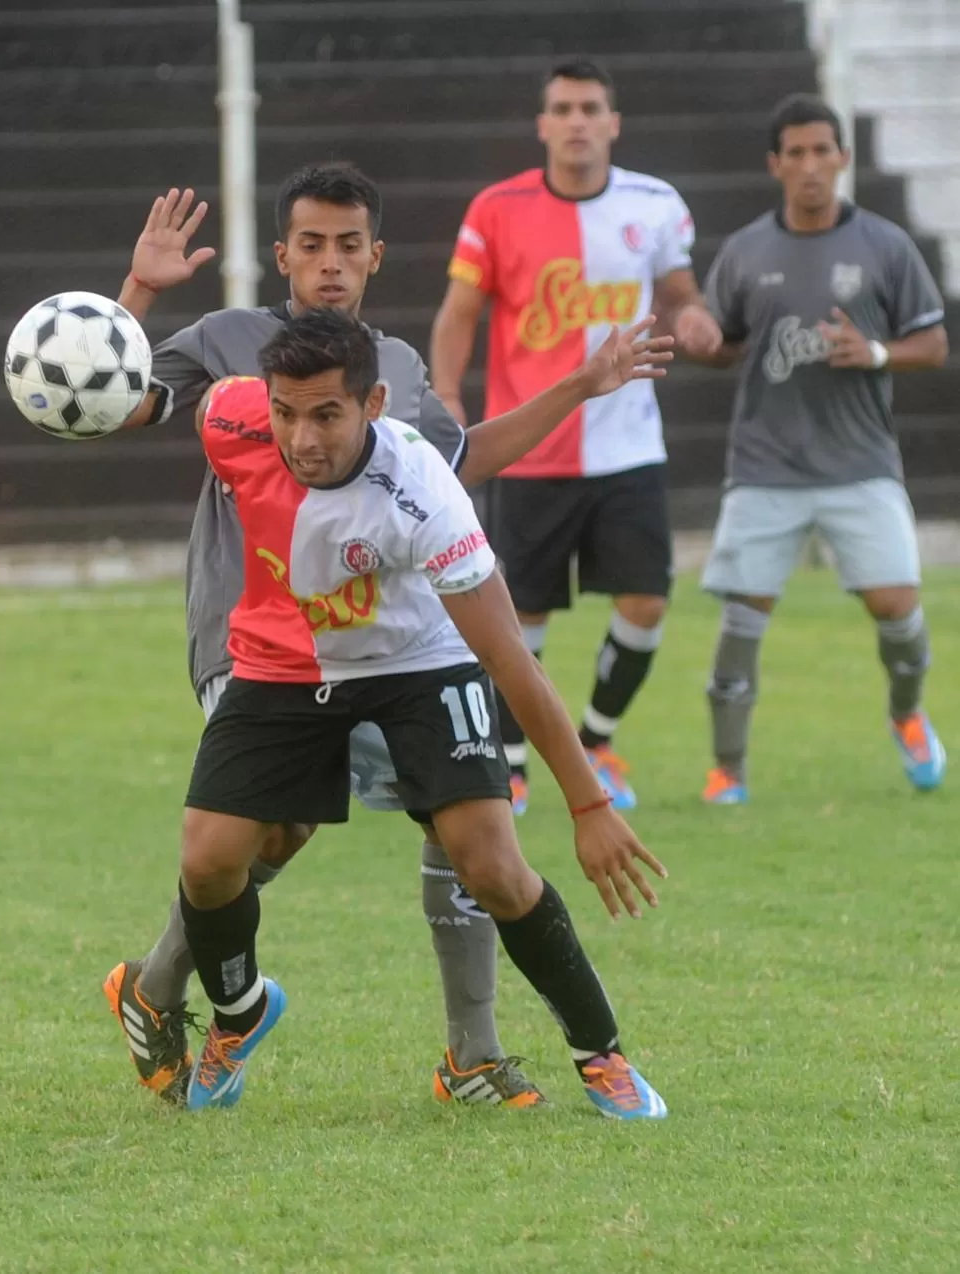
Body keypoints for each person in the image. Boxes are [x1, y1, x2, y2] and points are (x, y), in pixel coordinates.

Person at [101, 164, 673, 1106]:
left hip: (396, 644)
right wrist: (137, 297)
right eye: (310, 245)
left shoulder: (397, 378)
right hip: (253, 638)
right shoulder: (229, 361)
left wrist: (579, 386)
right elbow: (110, 400)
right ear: (282, 253)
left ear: (375, 255)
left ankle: (475, 1053)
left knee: (469, 835)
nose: (329, 264)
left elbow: (459, 460)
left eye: (347, 245)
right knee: (258, 835)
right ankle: (184, 992)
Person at [430, 57, 723, 816]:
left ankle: (596, 741)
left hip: (629, 446)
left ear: (613, 123)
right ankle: (518, 760)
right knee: (520, 616)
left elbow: (681, 288)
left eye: (591, 107)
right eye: (563, 108)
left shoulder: (655, 205)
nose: (578, 121)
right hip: (531, 448)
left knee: (647, 601)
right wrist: (447, 395)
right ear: (543, 124)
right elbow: (460, 313)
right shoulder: (496, 208)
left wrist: (691, 316)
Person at [678, 93, 949, 804]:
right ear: (776, 164)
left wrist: (879, 351)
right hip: (766, 467)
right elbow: (724, 341)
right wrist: (703, 340)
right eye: (793, 153)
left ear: (842, 158)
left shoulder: (885, 245)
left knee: (897, 605)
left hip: (860, 463)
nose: (808, 165)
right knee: (743, 615)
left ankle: (907, 714)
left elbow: (934, 342)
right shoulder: (746, 250)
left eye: (820, 151)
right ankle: (728, 770)